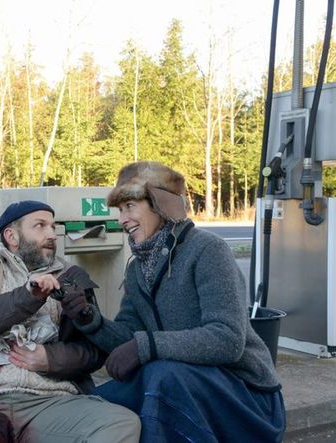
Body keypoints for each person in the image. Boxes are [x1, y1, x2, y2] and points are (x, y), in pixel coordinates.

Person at [60, 161, 286, 442]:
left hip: (248, 398)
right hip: (183, 384)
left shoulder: (207, 250)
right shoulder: (138, 269)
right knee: (93, 406)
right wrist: (88, 318)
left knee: (160, 375)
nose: (122, 219)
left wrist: (147, 346)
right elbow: (128, 336)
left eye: (130, 206)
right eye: (120, 210)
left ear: (161, 204)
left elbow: (227, 339)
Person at [0, 200, 141, 443]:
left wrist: (50, 359)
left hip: (51, 402)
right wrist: (26, 297)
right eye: (40, 226)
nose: (51, 234)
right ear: (11, 236)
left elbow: (93, 352)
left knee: (121, 423)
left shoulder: (72, 277)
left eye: (52, 226)